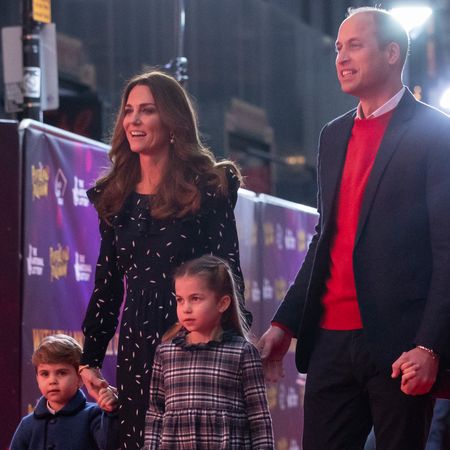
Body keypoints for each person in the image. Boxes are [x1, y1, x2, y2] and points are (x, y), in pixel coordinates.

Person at [258, 6, 450, 450]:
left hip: (400, 346)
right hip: (328, 340)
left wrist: (429, 346)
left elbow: (446, 251)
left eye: (355, 46)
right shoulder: (332, 135)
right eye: (339, 47)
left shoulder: (436, 132)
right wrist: (285, 323)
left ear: (391, 54)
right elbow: (326, 237)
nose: (341, 57)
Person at [79, 70, 249, 449]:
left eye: (147, 111)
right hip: (137, 346)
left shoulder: (208, 187)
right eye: (128, 111)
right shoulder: (115, 196)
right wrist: (89, 359)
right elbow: (107, 284)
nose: (134, 121)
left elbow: (229, 275)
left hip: (197, 345)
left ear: (172, 120)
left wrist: (231, 346)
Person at [143, 255, 274, 449]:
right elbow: (155, 413)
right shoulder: (166, 353)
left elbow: (259, 417)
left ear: (222, 303)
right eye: (180, 300)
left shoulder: (242, 352)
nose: (186, 308)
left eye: (195, 299)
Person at [10, 334, 118, 450]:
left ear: (80, 378)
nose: (52, 381)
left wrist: (111, 412)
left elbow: (110, 445)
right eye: (45, 374)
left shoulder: (94, 415)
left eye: (62, 373)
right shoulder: (27, 424)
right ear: (37, 379)